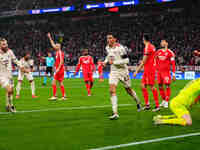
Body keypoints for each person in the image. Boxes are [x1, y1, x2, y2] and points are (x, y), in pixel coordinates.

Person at [103, 33, 141, 120]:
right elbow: (109, 56)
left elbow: (127, 60)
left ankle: (138, 102)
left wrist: (115, 62)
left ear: (114, 39)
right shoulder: (107, 47)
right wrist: (105, 62)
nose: (108, 40)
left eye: (110, 38)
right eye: (107, 38)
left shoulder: (120, 48)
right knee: (112, 90)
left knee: (128, 90)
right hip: (113, 71)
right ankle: (115, 113)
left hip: (123, 71)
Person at [133, 34, 160, 112]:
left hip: (150, 69)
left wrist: (136, 70)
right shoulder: (152, 46)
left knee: (152, 86)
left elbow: (144, 61)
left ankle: (157, 106)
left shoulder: (148, 47)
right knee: (143, 86)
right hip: (148, 68)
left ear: (144, 39)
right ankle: (147, 105)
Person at [0, 38, 27, 112]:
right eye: (3, 44)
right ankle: (11, 106)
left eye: (6, 44)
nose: (6, 45)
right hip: (2, 76)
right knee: (9, 90)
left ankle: (7, 105)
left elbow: (15, 60)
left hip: (10, 75)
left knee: (11, 91)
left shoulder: (10, 52)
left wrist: (21, 67)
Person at [154, 39, 176, 108]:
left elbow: (173, 64)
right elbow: (155, 61)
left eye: (163, 42)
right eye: (161, 42)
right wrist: (155, 71)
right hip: (159, 72)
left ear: (166, 43)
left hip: (166, 72)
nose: (161, 43)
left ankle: (167, 101)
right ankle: (163, 100)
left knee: (167, 86)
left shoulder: (170, 52)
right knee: (160, 86)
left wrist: (174, 74)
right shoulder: (158, 52)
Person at [47, 33, 66, 100]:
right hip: (59, 69)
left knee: (54, 82)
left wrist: (57, 69)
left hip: (59, 70)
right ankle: (64, 96)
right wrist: (50, 37)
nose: (55, 46)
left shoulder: (60, 53)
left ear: (59, 47)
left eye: (56, 46)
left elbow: (61, 61)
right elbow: (52, 44)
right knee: (60, 82)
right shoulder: (58, 52)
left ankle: (55, 96)